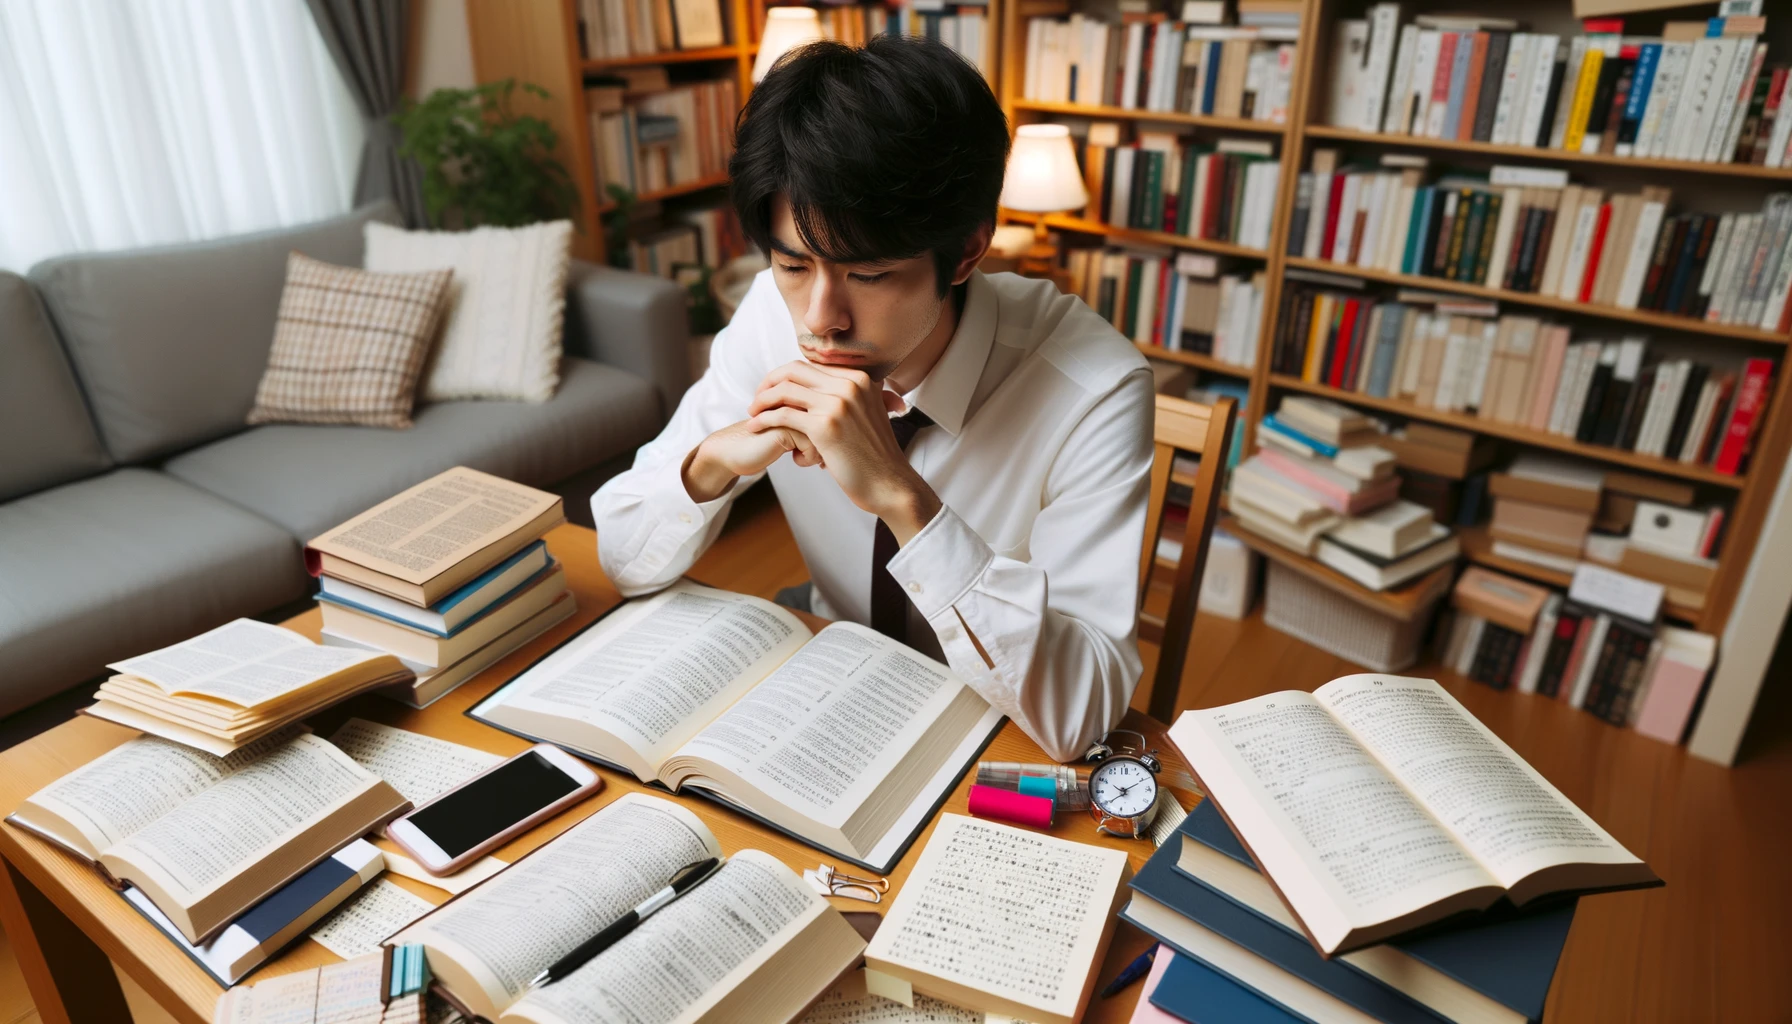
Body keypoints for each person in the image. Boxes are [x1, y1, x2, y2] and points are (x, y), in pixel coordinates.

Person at [592, 36, 1154, 761]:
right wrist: (712, 462)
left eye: (869, 273)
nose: (819, 317)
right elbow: (624, 557)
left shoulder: (1094, 389)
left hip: (994, 721)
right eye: (794, 262)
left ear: (968, 250)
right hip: (828, 674)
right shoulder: (772, 311)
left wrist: (903, 498)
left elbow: (1080, 714)